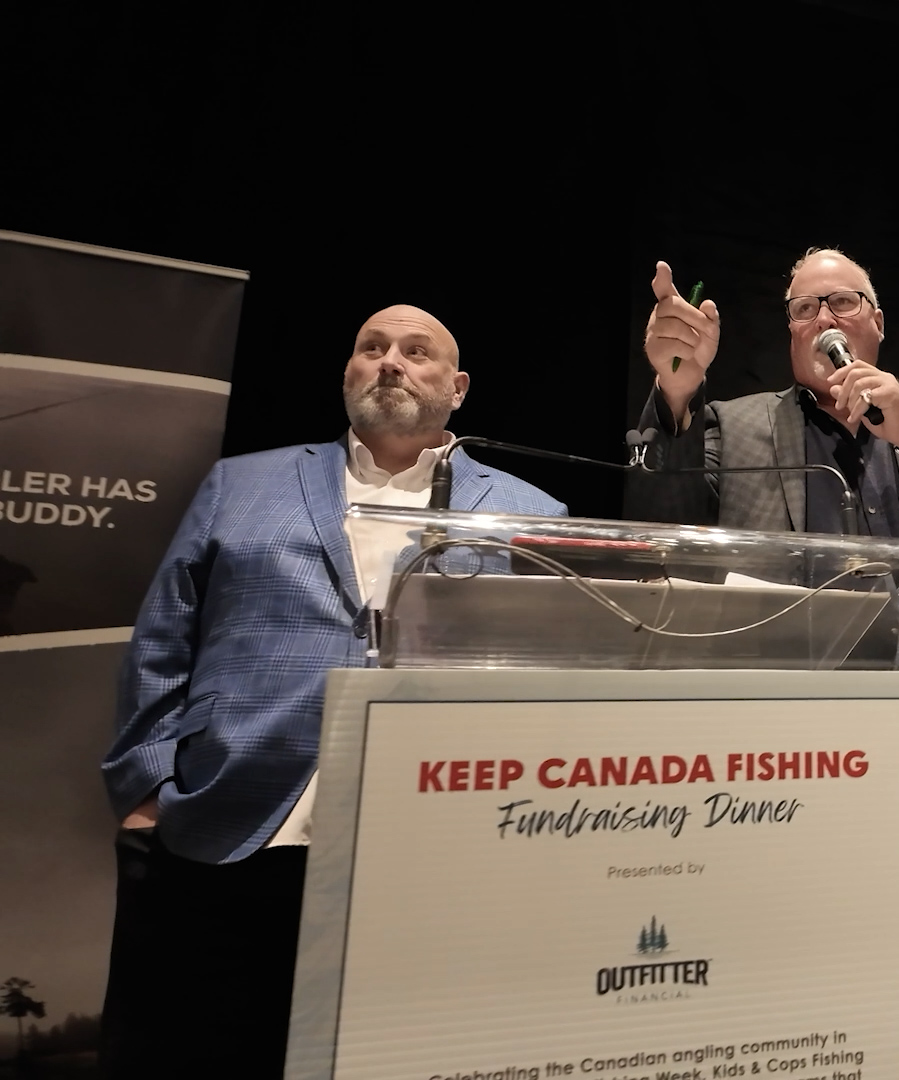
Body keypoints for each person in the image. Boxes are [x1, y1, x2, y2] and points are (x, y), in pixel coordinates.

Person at [98, 305, 565, 1077]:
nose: (391, 362)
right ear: (348, 372)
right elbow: (162, 635)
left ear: (459, 387)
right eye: (372, 347)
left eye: (418, 353)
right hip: (231, 826)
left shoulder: (531, 514)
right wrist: (145, 785)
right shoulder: (241, 482)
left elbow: (542, 679)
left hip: (424, 854)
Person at [629, 249, 899, 1080]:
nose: (823, 320)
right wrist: (677, 395)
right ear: (788, 333)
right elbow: (660, 541)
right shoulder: (736, 423)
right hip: (792, 739)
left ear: (878, 322)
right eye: (802, 310)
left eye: (841, 302)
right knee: (805, 969)